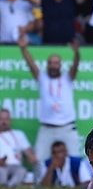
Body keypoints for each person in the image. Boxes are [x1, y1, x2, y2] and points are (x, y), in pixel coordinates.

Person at [18, 35, 81, 167]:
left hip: (67, 127)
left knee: (75, 160)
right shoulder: (42, 77)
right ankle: (39, 186)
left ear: (60, 65)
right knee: (39, 161)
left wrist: (76, 53)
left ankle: (78, 186)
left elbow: (75, 67)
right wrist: (24, 49)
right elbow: (31, 65)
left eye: (55, 63)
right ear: (47, 65)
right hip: (47, 128)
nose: (53, 66)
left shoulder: (67, 78)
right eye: (50, 63)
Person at [0, 108, 38, 187]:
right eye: (1, 119)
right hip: (1, 166)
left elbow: (28, 150)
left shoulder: (19, 134)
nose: (4, 122)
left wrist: (31, 156)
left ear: (10, 120)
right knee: (1, 171)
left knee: (22, 170)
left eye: (6, 119)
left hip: (16, 166)